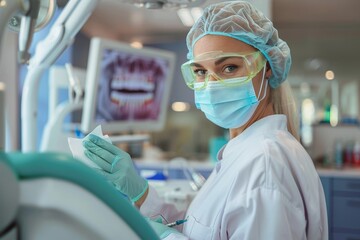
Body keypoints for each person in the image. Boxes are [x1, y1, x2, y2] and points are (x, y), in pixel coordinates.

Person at [82, 1, 328, 239]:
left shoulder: (264, 166)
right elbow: (203, 229)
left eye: (229, 68)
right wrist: (142, 193)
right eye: (200, 71)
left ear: (268, 68)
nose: (211, 86)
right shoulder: (249, 152)